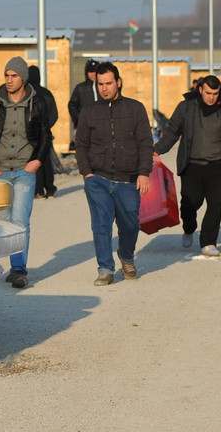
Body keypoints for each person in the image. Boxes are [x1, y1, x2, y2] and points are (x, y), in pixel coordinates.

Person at [152, 75, 221, 257]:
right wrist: (157, 150)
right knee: (191, 202)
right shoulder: (186, 107)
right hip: (191, 165)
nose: (211, 97)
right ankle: (189, 228)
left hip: (217, 165)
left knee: (216, 203)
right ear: (200, 90)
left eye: (215, 93)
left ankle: (208, 242)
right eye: (208, 93)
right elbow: (172, 132)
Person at [75, 62, 153, 286]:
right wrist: (87, 173)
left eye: (109, 83)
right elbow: (81, 144)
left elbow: (145, 143)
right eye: (100, 84)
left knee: (130, 225)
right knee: (101, 224)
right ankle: (105, 269)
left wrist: (144, 173)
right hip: (97, 179)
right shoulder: (89, 111)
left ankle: (127, 257)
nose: (104, 88)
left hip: (128, 180)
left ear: (118, 82)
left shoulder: (135, 109)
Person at [0, 58, 52, 288]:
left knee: (20, 221)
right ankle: (14, 265)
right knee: (6, 222)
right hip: (0, 170)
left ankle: (19, 269)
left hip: (24, 169)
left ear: (23, 78)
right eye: (6, 75)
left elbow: (44, 135)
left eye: (14, 76)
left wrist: (37, 161)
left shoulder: (37, 103)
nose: (9, 80)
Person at [28, 64, 59, 199]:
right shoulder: (47, 93)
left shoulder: (27, 93)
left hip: (32, 135)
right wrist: (46, 127)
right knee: (47, 162)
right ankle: (50, 189)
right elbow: (54, 114)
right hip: (46, 134)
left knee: (35, 161)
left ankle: (38, 190)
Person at [67, 59, 100, 151]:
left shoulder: (103, 88)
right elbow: (72, 105)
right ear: (86, 72)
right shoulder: (80, 88)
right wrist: (79, 118)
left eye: (95, 72)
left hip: (101, 126)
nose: (93, 74)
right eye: (91, 71)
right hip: (83, 127)